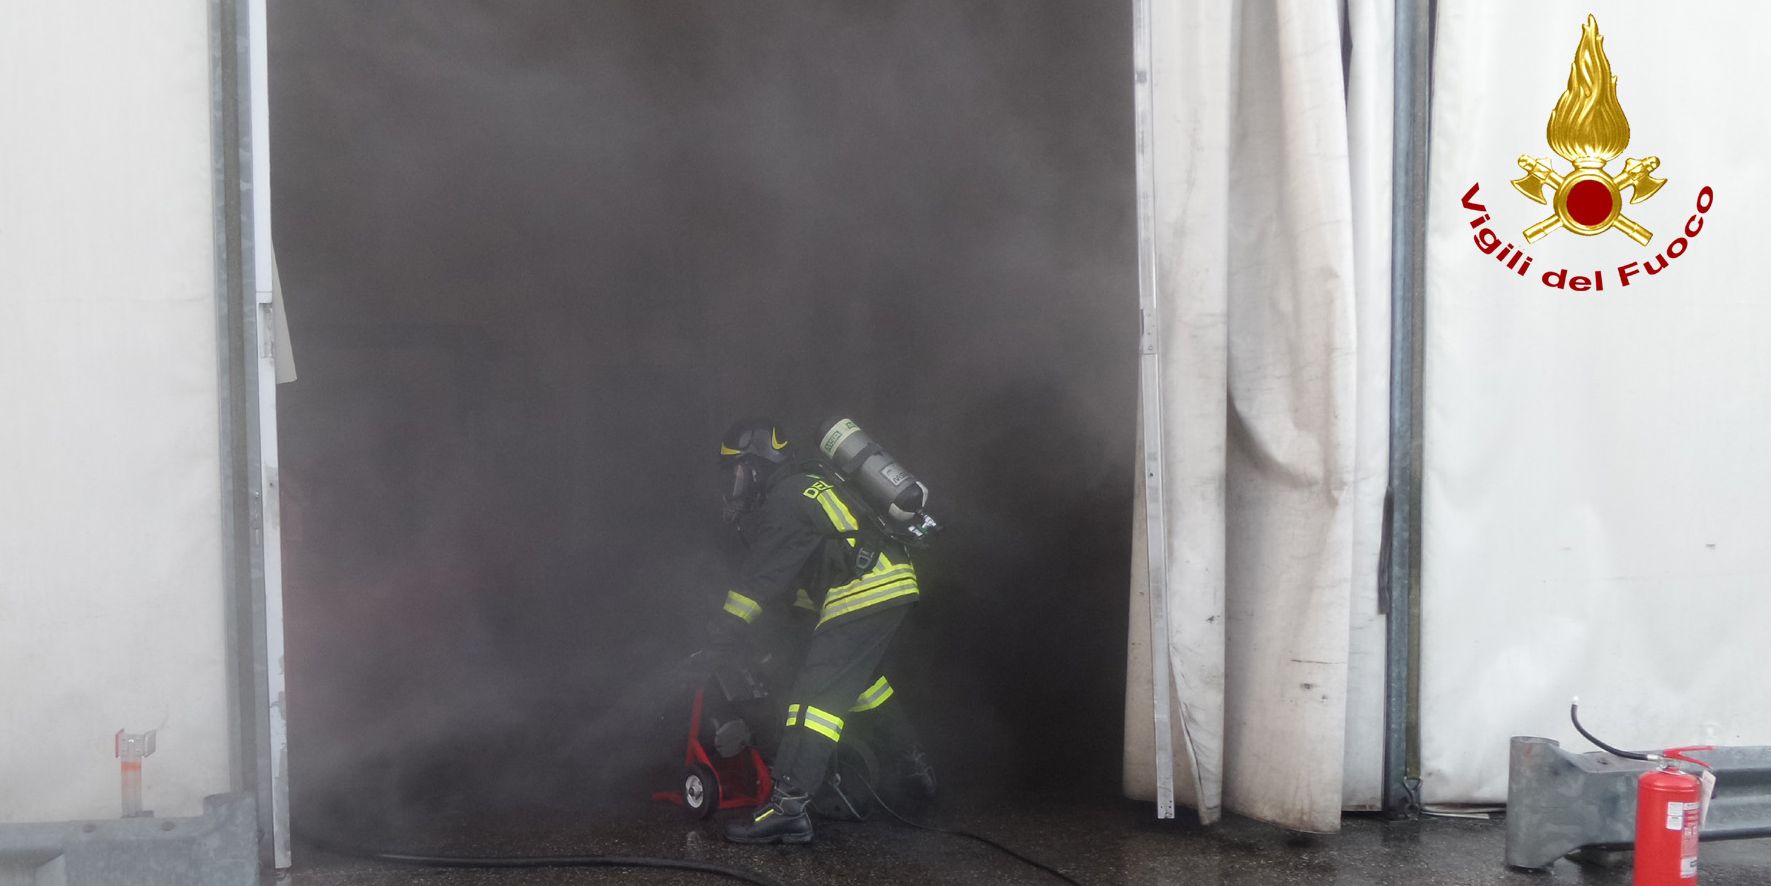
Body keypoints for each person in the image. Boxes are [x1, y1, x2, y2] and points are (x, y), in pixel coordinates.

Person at [708, 417, 935, 845]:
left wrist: (718, 638)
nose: (735, 483)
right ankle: (911, 766)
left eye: (737, 471)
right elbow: (809, 573)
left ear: (757, 466)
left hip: (863, 589)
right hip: (890, 580)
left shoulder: (784, 498)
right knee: (864, 686)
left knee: (813, 700)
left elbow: (758, 582)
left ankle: (788, 807)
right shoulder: (813, 482)